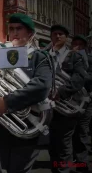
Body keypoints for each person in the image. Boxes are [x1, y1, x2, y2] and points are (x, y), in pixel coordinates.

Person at [0, 13, 53, 173]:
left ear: (30, 33)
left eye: (19, 29)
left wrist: (8, 102)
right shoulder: (0, 57)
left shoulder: (39, 57)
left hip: (27, 124)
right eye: (11, 29)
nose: (15, 32)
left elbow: (42, 86)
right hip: (1, 124)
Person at [47, 25, 87, 173]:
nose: (57, 36)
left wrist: (61, 91)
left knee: (64, 145)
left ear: (66, 38)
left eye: (61, 34)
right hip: (48, 108)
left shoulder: (74, 56)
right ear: (51, 36)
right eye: (55, 34)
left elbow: (79, 78)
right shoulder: (43, 55)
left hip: (66, 106)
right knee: (52, 146)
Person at [71, 35, 92, 173]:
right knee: (71, 133)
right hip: (71, 101)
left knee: (82, 132)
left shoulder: (89, 60)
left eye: (81, 45)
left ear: (85, 47)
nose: (77, 48)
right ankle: (74, 160)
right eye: (75, 44)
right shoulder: (69, 59)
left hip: (86, 101)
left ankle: (82, 164)